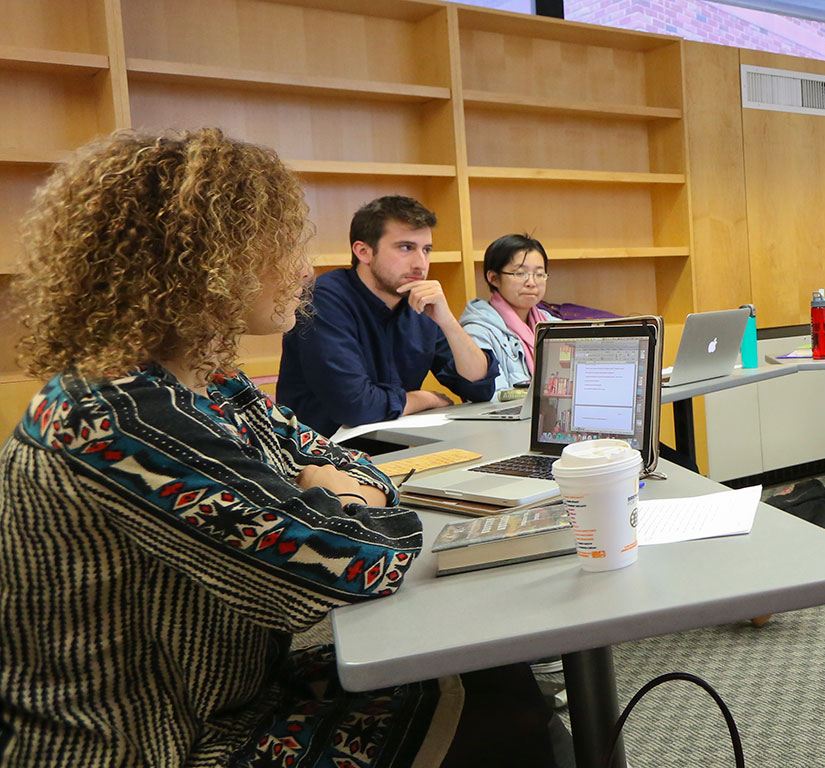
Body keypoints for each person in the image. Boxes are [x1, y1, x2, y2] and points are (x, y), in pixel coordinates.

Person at [0, 129, 555, 767]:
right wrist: (328, 487)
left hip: (227, 693)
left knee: (496, 670)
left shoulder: (208, 379)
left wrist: (327, 482)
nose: (300, 270)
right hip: (156, 742)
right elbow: (360, 560)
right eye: (278, 249)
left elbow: (340, 459)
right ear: (197, 262)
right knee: (507, 711)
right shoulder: (118, 419)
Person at [277, 195, 496, 436]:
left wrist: (448, 322)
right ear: (364, 252)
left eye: (426, 250)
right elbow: (355, 406)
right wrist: (423, 398)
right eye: (406, 248)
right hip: (319, 459)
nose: (420, 264)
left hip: (393, 451)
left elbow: (479, 389)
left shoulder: (419, 303)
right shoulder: (323, 300)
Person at [460, 233, 560, 395]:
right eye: (520, 274)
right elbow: (493, 398)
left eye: (539, 274)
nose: (531, 283)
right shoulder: (478, 331)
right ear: (494, 278)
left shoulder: (552, 324)